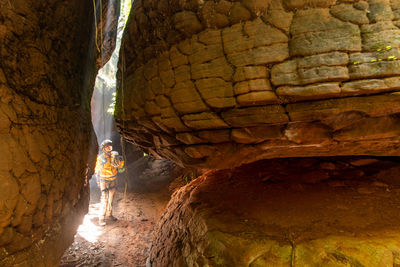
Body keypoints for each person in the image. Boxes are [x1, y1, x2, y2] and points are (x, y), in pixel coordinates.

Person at [95, 139, 125, 226]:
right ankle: (101, 218)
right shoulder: (100, 158)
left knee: (111, 198)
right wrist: (98, 180)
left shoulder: (115, 154)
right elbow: (97, 170)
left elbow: (120, 168)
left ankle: (109, 214)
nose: (109, 148)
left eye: (110, 146)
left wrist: (121, 161)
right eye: (107, 146)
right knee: (104, 199)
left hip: (113, 179)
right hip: (104, 180)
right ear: (103, 149)